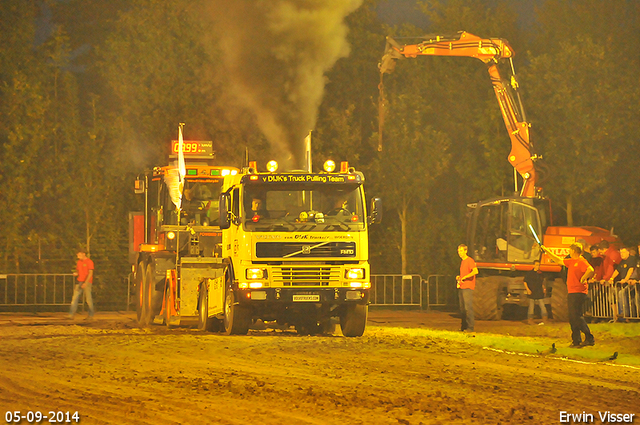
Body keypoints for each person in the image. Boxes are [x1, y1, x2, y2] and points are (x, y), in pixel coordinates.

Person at [542, 243, 595, 347]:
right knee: (572, 316)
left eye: (570, 250)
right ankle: (576, 340)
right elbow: (559, 260)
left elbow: (591, 270)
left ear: (574, 251)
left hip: (578, 292)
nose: (568, 252)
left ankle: (589, 337)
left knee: (576, 316)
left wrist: (583, 278)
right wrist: (547, 250)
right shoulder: (572, 261)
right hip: (572, 292)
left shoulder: (581, 261)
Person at [611, 246, 637, 321]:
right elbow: (617, 270)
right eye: (621, 253)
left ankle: (626, 313)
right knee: (617, 294)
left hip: (631, 282)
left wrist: (626, 279)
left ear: (628, 252)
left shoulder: (632, 259)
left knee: (621, 293)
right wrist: (611, 278)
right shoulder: (622, 261)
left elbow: (631, 269)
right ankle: (623, 315)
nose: (622, 254)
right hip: (624, 283)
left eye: (623, 252)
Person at [456, 244, 478, 332]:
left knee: (468, 307)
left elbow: (475, 271)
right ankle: (464, 327)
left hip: (468, 286)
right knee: (462, 308)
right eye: (458, 251)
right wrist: (460, 277)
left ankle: (470, 327)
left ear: (466, 251)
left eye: (461, 251)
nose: (459, 253)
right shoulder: (463, 262)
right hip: (462, 286)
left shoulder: (469, 260)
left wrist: (465, 277)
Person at [69, 248, 95, 320]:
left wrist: (86, 283)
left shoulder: (89, 262)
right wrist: (76, 273)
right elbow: (78, 271)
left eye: (79, 254)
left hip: (87, 281)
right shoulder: (79, 262)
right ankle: (71, 314)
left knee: (88, 299)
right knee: (75, 298)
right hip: (79, 281)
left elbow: (90, 273)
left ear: (83, 254)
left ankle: (91, 315)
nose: (78, 255)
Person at [524, 260, 548, 324]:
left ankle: (545, 319)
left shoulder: (541, 274)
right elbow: (525, 282)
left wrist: (544, 289)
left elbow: (542, 282)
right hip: (532, 291)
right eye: (537, 265)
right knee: (531, 306)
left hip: (539, 291)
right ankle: (530, 320)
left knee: (542, 305)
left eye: (539, 265)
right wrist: (528, 289)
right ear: (533, 265)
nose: (538, 266)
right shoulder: (529, 274)